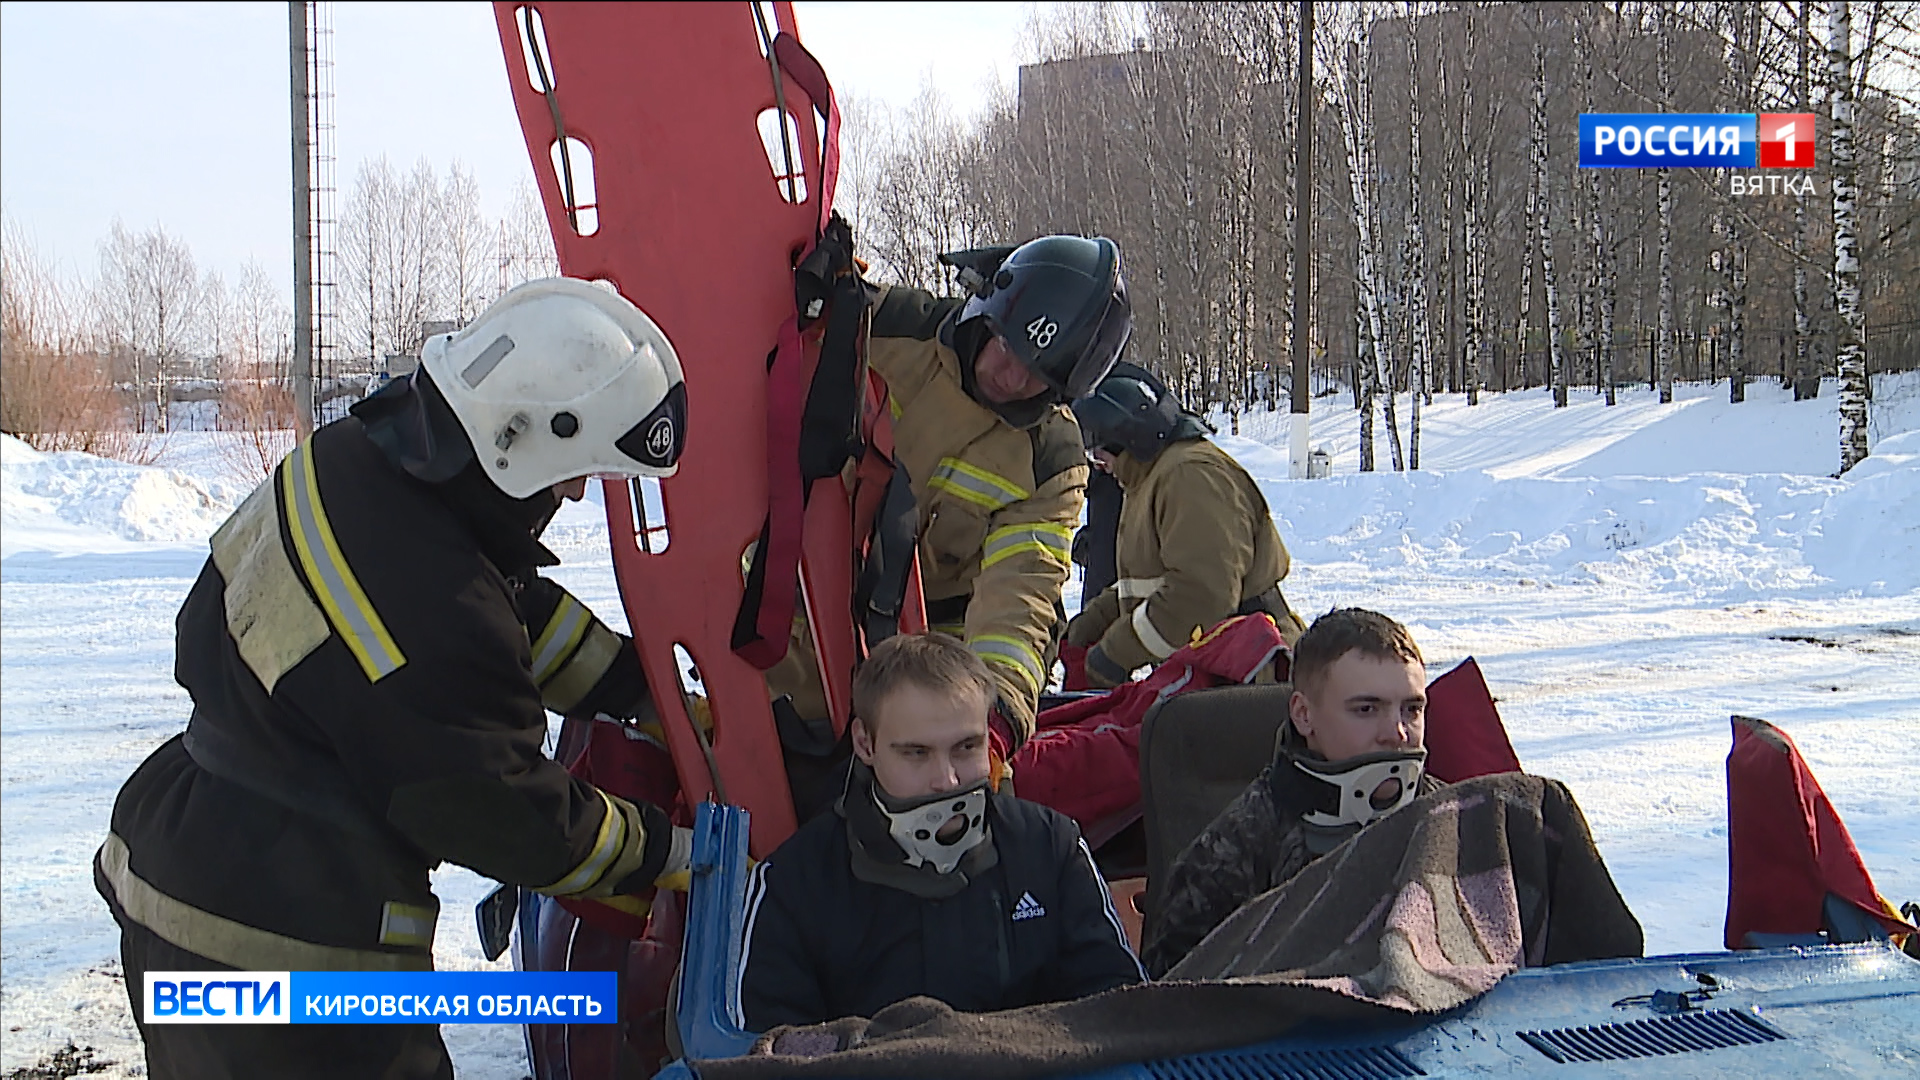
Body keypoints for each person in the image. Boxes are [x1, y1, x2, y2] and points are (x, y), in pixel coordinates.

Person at [95, 279, 696, 1079]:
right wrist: (667, 850)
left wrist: (639, 691)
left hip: (177, 857)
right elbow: (510, 813)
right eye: (574, 472)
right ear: (519, 438)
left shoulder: (358, 463)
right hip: (287, 945)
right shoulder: (443, 604)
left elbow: (502, 607)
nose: (577, 491)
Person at [767, 235, 1133, 777]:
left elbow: (1020, 597)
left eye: (1039, 373)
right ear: (987, 308)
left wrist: (987, 725)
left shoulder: (1050, 460)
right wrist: (799, 283)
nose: (1012, 378)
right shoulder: (882, 326)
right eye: (1007, 347)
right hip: (788, 619)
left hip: (926, 668)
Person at [738, 632, 1146, 1030]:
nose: (947, 780)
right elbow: (769, 1048)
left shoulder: (1049, 846)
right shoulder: (794, 884)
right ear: (865, 745)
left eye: (966, 748)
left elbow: (1120, 1008)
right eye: (916, 753)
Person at [1140, 608, 1441, 977]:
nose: (1397, 733)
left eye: (1412, 709)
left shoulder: (1452, 822)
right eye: (1366, 709)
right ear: (1303, 715)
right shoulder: (1232, 853)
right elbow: (1169, 998)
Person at [1063, 363, 1305, 690]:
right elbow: (1152, 581)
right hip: (1216, 673)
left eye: (1098, 450)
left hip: (1251, 677)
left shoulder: (1190, 476)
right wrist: (1096, 620)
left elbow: (1201, 595)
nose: (1098, 463)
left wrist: (1115, 652)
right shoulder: (1150, 479)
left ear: (1127, 436)